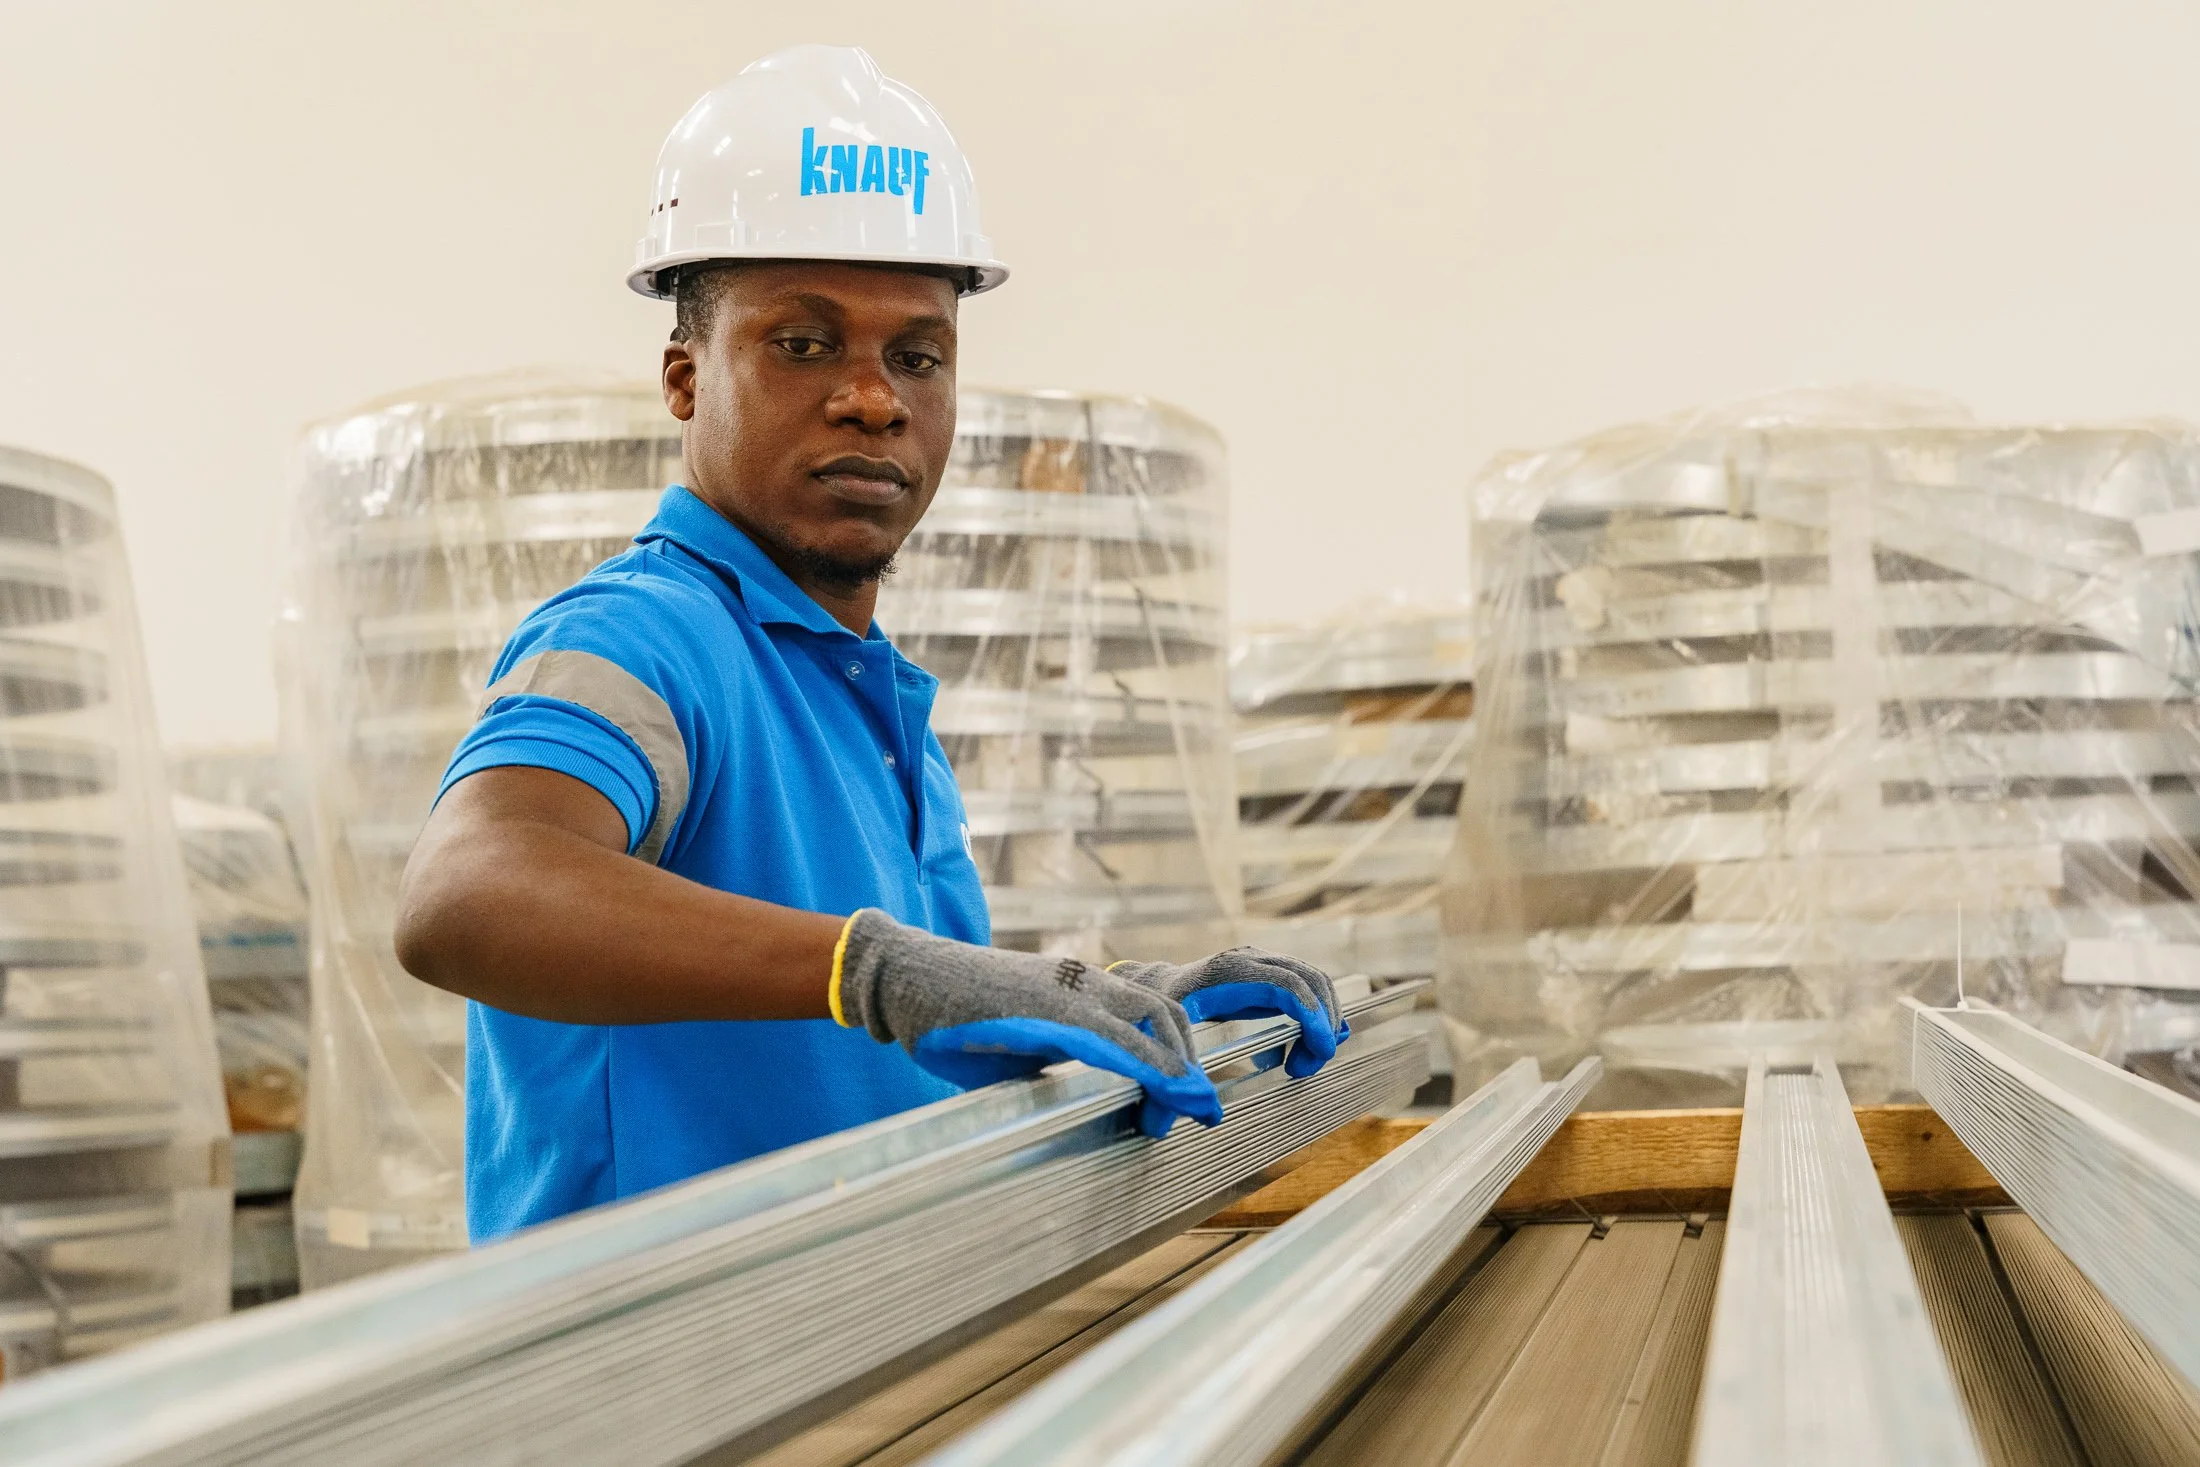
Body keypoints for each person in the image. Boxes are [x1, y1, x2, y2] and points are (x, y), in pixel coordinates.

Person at [393, 44, 1347, 1243]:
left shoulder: (861, 694)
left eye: (916, 355)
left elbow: (869, 1046)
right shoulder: (648, 638)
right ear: (685, 378)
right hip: (654, 1386)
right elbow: (463, 895)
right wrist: (877, 969)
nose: (873, 398)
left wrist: (1101, 1005)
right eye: (802, 344)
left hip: (843, 1352)